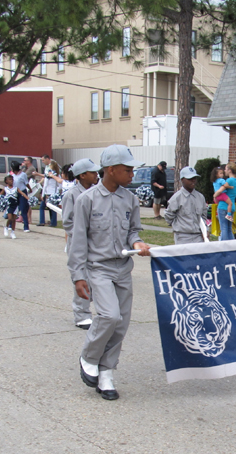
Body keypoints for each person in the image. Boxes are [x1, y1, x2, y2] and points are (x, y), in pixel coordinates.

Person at [67, 144, 151, 401]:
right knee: (109, 316)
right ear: (111, 170)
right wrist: (78, 276)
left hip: (123, 268)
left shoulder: (130, 199)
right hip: (98, 268)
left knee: (121, 325)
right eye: (127, 170)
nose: (132, 174)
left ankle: (106, 373)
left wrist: (137, 243)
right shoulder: (87, 200)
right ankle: (89, 356)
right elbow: (77, 240)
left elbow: (133, 231)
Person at [61, 158, 100, 330]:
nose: (96, 175)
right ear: (82, 175)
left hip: (95, 243)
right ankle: (81, 315)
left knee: (96, 277)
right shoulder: (71, 195)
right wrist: (81, 235)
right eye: (92, 172)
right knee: (81, 277)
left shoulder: (96, 193)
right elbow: (68, 221)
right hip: (79, 243)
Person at [164, 166, 207, 244]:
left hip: (198, 237)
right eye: (190, 179)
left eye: (194, 178)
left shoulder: (200, 197)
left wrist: (205, 231)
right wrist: (178, 227)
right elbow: (168, 216)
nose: (193, 181)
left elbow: (203, 217)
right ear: (182, 180)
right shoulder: (177, 198)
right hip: (182, 237)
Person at [213, 163, 236, 241]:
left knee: (223, 227)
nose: (224, 171)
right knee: (229, 228)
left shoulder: (229, 180)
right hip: (232, 206)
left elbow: (220, 190)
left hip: (223, 205)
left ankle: (224, 245)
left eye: (225, 169)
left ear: (230, 170)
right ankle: (231, 245)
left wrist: (215, 195)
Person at [35, 156, 61, 227]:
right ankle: (42, 221)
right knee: (42, 207)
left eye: (50, 167)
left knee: (52, 208)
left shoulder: (56, 175)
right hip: (46, 192)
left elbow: (59, 184)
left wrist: (56, 193)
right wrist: (43, 194)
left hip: (52, 193)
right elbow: (45, 185)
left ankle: (53, 222)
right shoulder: (47, 176)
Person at [10, 161, 31, 232]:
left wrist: (30, 189)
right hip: (15, 193)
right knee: (13, 209)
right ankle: (11, 225)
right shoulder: (12, 175)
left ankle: (26, 226)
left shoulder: (23, 175)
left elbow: (26, 183)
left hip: (22, 192)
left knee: (23, 209)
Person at [1, 174, 20, 239]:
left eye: (12, 180)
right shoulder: (5, 189)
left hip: (15, 205)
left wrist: (28, 198)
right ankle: (6, 227)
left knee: (14, 219)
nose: (11, 181)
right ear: (6, 181)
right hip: (8, 205)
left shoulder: (16, 188)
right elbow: (0, 195)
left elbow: (22, 193)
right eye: (9, 180)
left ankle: (12, 232)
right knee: (10, 218)